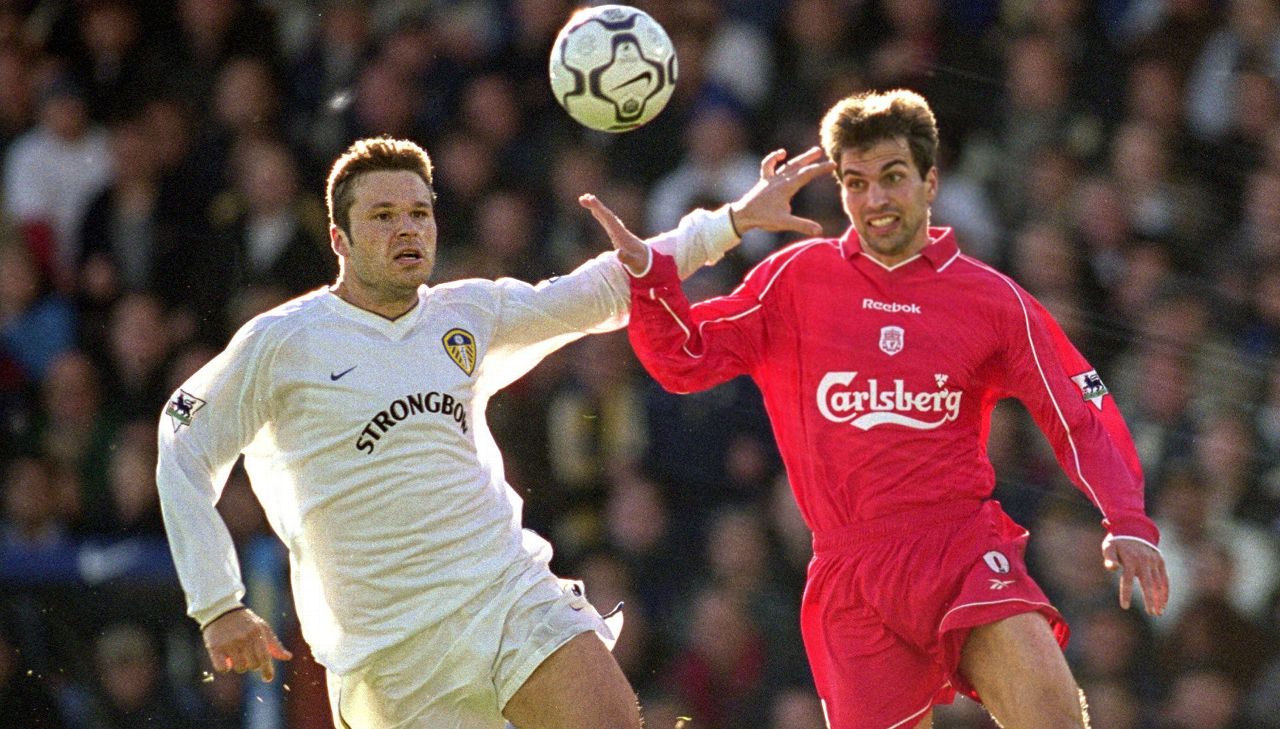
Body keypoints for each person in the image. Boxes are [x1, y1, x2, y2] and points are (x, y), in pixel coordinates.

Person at [154, 135, 832, 729]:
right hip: (388, 647)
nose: (407, 229)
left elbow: (596, 290)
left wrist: (731, 221)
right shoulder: (280, 342)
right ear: (339, 239)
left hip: (503, 591)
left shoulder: (467, 313)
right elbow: (183, 437)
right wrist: (217, 601)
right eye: (383, 216)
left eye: (419, 212)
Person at [588, 89, 1171, 728]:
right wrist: (650, 274)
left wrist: (1127, 516)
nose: (876, 200)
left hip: (960, 548)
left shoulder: (991, 298)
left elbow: (1078, 407)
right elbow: (685, 358)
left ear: (930, 181)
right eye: (856, 182)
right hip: (852, 576)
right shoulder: (795, 280)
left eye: (893, 178)